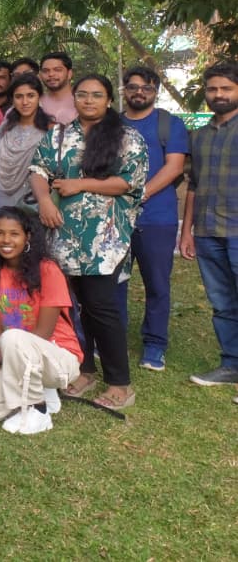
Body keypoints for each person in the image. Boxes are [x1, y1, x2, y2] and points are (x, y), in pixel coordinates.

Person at [30, 74, 147, 410]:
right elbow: (38, 169)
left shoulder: (128, 138)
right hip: (64, 237)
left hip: (104, 240)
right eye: (83, 95)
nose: (89, 101)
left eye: (97, 95)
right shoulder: (59, 135)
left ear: (109, 100)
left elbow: (128, 183)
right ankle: (84, 369)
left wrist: (79, 185)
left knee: (101, 307)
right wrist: (45, 201)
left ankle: (119, 383)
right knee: (74, 307)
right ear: (75, 98)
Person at [0, 207, 82, 435]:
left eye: (14, 234)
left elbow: (44, 333)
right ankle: (39, 391)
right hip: (16, 354)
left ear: (27, 236)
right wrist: (1, 357)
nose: (6, 240)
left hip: (59, 357)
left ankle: (38, 409)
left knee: (13, 337)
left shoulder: (48, 270)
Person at [118, 66, 189, 371]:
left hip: (157, 218)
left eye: (146, 88)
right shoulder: (112, 124)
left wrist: (140, 194)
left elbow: (174, 168)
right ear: (124, 90)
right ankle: (112, 338)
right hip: (116, 218)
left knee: (157, 283)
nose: (139, 92)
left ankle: (155, 344)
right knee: (113, 281)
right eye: (133, 87)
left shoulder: (169, 124)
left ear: (155, 91)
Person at [180, 61, 238, 392]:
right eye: (213, 89)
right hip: (208, 230)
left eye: (226, 88)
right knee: (222, 301)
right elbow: (193, 186)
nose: (218, 95)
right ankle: (231, 365)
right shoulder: (200, 136)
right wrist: (187, 230)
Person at [0, 73, 50, 225]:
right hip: (1, 206)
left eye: (30, 95)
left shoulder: (50, 131)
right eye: (19, 97)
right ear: (12, 100)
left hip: (33, 208)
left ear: (39, 97)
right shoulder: (4, 130)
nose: (25, 102)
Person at [38, 52, 76, 125]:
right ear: (40, 75)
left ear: (69, 73)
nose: (51, 74)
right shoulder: (35, 103)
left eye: (57, 70)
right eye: (45, 71)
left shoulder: (83, 101)